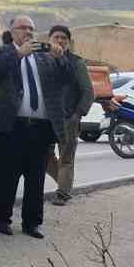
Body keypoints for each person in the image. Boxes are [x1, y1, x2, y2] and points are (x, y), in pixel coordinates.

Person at [0, 15, 85, 239]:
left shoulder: (44, 57)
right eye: (23, 28)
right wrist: (18, 54)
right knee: (5, 176)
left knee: (36, 177)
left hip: (40, 127)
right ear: (12, 32)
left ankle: (32, 222)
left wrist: (61, 58)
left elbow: (68, 78)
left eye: (31, 29)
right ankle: (2, 219)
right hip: (10, 126)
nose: (28, 32)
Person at [44, 25, 94, 205]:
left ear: (69, 42)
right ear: (49, 39)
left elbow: (88, 92)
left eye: (64, 38)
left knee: (66, 158)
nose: (60, 40)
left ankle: (62, 193)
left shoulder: (76, 63)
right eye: (56, 37)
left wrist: (77, 114)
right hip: (45, 119)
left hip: (68, 119)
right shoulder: (42, 60)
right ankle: (65, 184)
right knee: (43, 155)